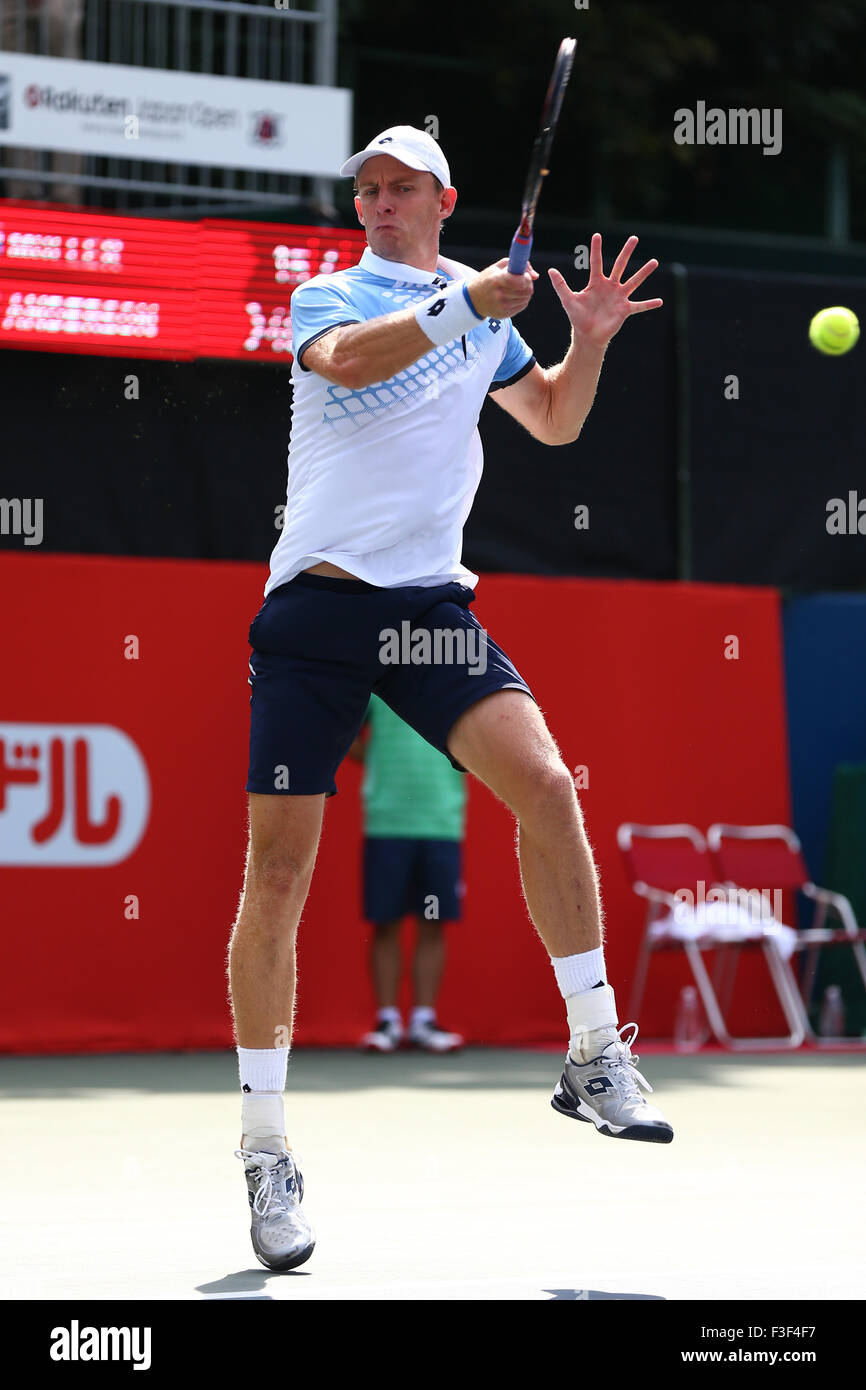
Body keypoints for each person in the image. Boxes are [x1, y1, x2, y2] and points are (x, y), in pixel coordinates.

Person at [227, 125, 672, 1274]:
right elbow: (349, 364)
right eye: (365, 189)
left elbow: (555, 422)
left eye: (398, 188)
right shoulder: (330, 292)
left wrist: (586, 341)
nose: (376, 202)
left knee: (545, 788)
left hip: (429, 608)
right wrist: (465, 303)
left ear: (441, 198)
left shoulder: (488, 316)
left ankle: (588, 1050)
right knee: (277, 874)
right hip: (315, 616)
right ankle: (265, 1148)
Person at [348, 694, 467, 1053]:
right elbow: (347, 736)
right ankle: (387, 1021)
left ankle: (423, 1021)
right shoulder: (375, 682)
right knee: (386, 923)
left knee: (433, 923)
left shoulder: (456, 680)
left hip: (441, 823)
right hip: (387, 820)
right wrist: (379, 763)